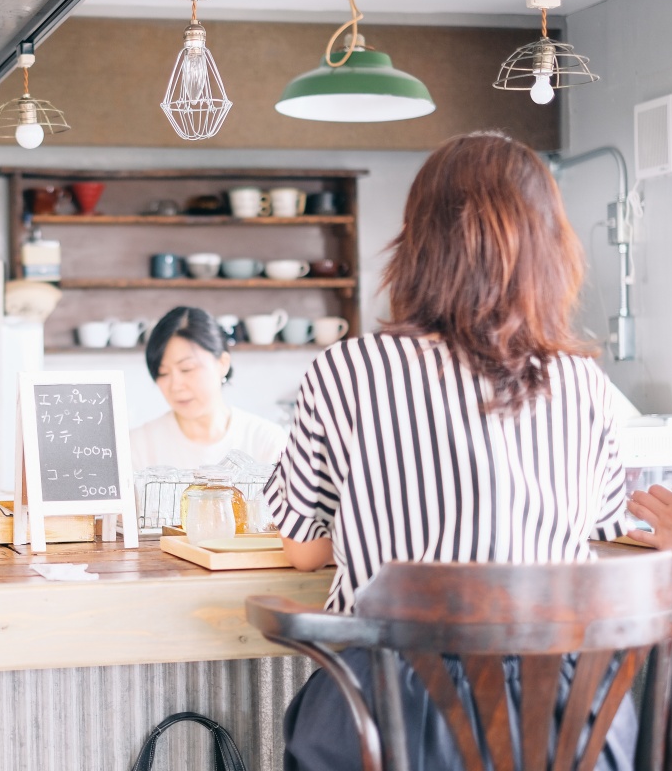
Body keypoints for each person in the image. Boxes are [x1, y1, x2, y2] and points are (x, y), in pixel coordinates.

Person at [266, 132, 634, 770]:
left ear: (417, 244)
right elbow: (599, 529)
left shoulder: (348, 369)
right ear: (551, 249)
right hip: (564, 728)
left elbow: (301, 549)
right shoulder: (584, 383)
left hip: (395, 716)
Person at [129, 306, 287, 471]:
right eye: (163, 373)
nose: (175, 386)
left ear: (223, 364)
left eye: (187, 368)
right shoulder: (137, 445)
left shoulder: (267, 441)